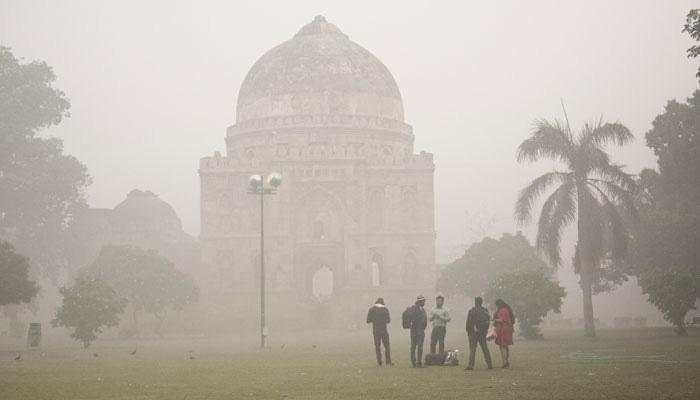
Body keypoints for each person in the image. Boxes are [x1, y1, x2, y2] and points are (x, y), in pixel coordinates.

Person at [465, 296, 493, 370]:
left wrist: (468, 331)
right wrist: (485, 330)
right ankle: (489, 364)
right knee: (485, 349)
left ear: (475, 302)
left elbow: (468, 322)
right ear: (481, 302)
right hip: (482, 333)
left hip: (473, 333)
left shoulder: (472, 311)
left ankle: (471, 365)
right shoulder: (485, 310)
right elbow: (488, 321)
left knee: (472, 350)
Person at [366, 297, 392, 366]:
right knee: (387, 346)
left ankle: (379, 361)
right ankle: (388, 361)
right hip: (384, 330)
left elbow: (368, 320)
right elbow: (388, 320)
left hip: (376, 330)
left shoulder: (371, 310)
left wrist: (375, 319)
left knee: (377, 346)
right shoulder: (385, 310)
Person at [494, 299, 515, 368]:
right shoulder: (507, 309)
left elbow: (503, 320)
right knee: (505, 346)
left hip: (504, 329)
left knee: (502, 346)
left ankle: (505, 363)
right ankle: (506, 362)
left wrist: (495, 320)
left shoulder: (503, 310)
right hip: (507, 329)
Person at [408, 295, 428, 368]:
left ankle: (416, 362)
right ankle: (416, 362)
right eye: (423, 301)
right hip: (417, 330)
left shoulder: (420, 309)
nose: (424, 302)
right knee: (417, 346)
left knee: (416, 346)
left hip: (418, 330)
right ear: (420, 301)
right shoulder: (416, 309)